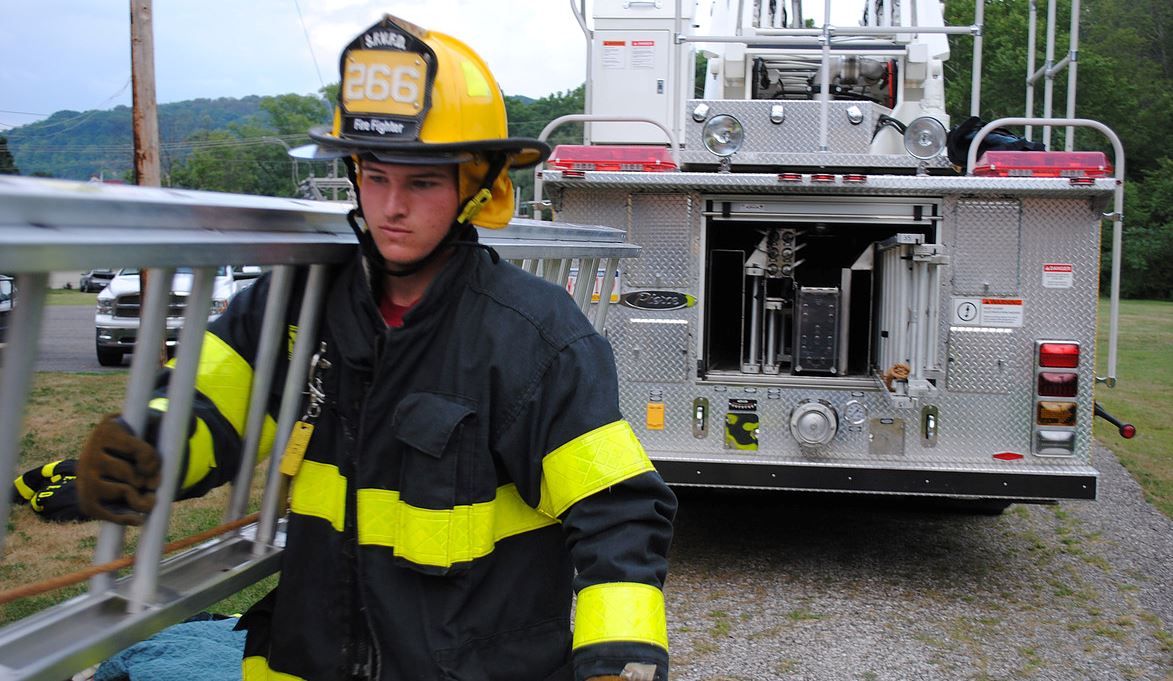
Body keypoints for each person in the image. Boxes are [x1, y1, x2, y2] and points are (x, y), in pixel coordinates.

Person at [74, 14, 676, 681]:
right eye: (375, 175)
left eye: (422, 182)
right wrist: (149, 445)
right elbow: (211, 403)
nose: (391, 206)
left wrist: (617, 660)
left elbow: (616, 513)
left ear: (475, 186)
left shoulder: (533, 338)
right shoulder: (298, 307)